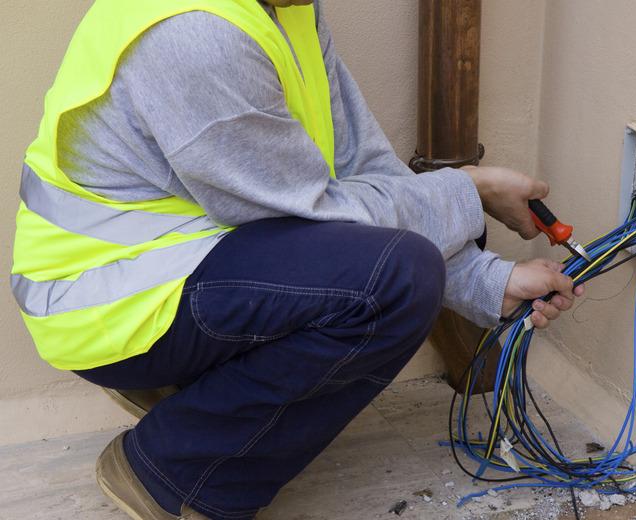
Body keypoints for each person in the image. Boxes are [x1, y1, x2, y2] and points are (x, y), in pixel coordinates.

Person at [10, 0, 583, 518]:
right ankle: (174, 472)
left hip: (183, 268)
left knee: (395, 267)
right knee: (392, 282)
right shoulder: (195, 33)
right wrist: (472, 187)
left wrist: (485, 281)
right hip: (108, 304)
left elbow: (363, 176)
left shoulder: (286, 7)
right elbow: (323, 213)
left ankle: (202, 401)